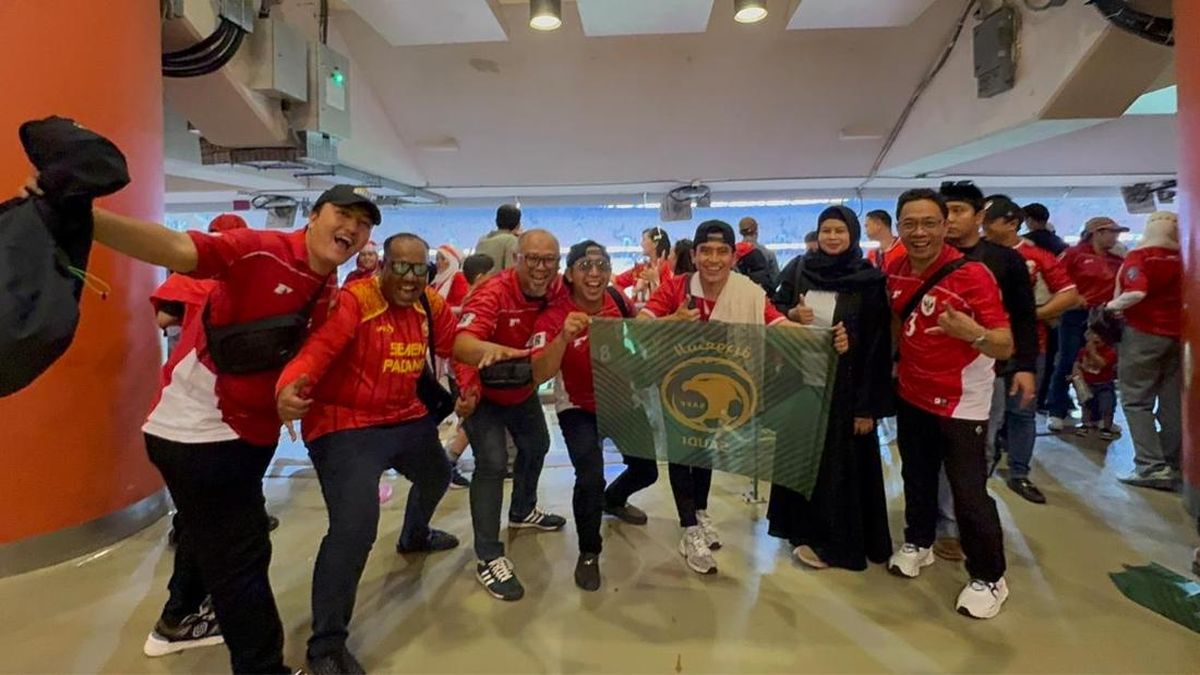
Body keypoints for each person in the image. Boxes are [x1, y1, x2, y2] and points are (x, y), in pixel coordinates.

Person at [19, 176, 378, 673]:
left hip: (236, 432)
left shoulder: (324, 282)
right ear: (314, 215)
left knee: (204, 533)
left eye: (362, 226)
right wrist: (79, 215)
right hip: (203, 435)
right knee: (243, 563)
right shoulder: (261, 250)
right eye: (344, 216)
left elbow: (309, 348)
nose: (352, 229)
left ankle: (179, 617)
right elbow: (173, 246)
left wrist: (288, 387)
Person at [275, 234, 463, 675]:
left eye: (420, 269)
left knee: (438, 474)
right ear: (382, 266)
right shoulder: (355, 302)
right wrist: (290, 387)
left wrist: (488, 367)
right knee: (355, 527)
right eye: (401, 266)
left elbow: (459, 346)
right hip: (344, 426)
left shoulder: (430, 305)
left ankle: (414, 535)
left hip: (404, 418)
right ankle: (325, 646)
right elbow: (316, 352)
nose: (410, 277)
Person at [639, 219, 848, 575]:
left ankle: (699, 513)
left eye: (722, 251)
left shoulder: (747, 292)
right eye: (706, 251)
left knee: (702, 452)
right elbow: (639, 325)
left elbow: (778, 326)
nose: (714, 259)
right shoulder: (676, 288)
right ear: (695, 254)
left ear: (734, 255)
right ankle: (689, 528)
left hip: (721, 387)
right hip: (677, 385)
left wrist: (827, 338)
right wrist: (673, 319)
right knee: (682, 452)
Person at [885, 188, 1013, 620]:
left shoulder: (973, 275)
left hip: (963, 402)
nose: (919, 232)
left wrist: (971, 333)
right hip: (912, 392)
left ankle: (990, 576)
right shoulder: (896, 267)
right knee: (915, 474)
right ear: (899, 228)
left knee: (967, 492)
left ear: (945, 226)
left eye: (928, 223)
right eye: (910, 224)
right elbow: (896, 318)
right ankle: (919, 542)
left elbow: (1004, 344)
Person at [768, 206, 893, 571]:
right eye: (826, 230)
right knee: (802, 460)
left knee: (839, 468)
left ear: (853, 235)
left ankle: (836, 544)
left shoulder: (869, 280)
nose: (832, 237)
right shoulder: (800, 269)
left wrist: (866, 407)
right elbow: (773, 308)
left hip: (846, 390)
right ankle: (800, 528)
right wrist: (791, 315)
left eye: (840, 230)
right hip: (800, 384)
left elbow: (876, 345)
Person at [529, 240, 659, 591]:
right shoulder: (554, 313)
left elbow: (640, 335)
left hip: (621, 400)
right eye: (585, 266)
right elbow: (539, 374)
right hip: (578, 407)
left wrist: (672, 324)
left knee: (647, 469)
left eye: (601, 265)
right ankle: (589, 552)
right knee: (589, 476)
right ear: (569, 274)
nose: (595, 273)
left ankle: (613, 500)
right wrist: (563, 337)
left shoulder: (618, 300)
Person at [453, 229, 568, 601]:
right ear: (516, 258)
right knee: (492, 461)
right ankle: (488, 556)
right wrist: (490, 353)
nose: (540, 267)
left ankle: (522, 509)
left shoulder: (558, 291)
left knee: (537, 444)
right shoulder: (493, 292)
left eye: (548, 259)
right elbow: (462, 345)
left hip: (520, 388)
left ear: (558, 263)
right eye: (532, 258)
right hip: (479, 387)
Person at [938, 183, 1037, 538]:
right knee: (930, 451)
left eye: (959, 210)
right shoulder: (927, 257)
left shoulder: (1004, 260)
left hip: (988, 371)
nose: (950, 219)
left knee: (976, 450)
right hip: (932, 372)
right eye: (944, 210)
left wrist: (1025, 366)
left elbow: (1024, 316)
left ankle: (953, 524)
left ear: (979, 216)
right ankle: (936, 518)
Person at [981, 196, 1080, 503]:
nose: (982, 228)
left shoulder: (1037, 256)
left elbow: (1070, 294)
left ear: (1011, 223)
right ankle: (982, 467)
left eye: (988, 222)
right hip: (983, 346)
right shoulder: (976, 254)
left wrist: (1030, 314)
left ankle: (1019, 472)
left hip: (1026, 346)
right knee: (985, 414)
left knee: (1021, 412)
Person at [1108, 211, 1183, 490]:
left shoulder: (1141, 256)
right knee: (1172, 401)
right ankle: (1173, 462)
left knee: (1136, 401)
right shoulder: (1185, 257)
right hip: (1178, 336)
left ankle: (1150, 466)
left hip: (1143, 333)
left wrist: (1110, 307)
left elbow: (1136, 291)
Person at [1046, 216, 1128, 432]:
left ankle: (1102, 415)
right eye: (1111, 232)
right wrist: (1070, 299)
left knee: (1105, 365)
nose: (1115, 237)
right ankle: (1056, 410)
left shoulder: (1116, 260)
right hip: (1076, 314)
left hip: (1104, 317)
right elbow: (1055, 279)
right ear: (1097, 233)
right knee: (1068, 361)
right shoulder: (1074, 254)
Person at [1072, 330, 1118, 440]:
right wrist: (1076, 374)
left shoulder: (1109, 352)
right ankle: (1086, 424)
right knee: (1086, 405)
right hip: (1088, 384)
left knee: (1107, 406)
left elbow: (1102, 364)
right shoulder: (1083, 352)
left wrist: (1093, 353)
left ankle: (1106, 427)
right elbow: (1078, 363)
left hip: (1104, 384)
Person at [614, 226, 673, 302]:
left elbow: (669, 299)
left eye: (644, 240)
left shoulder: (669, 268)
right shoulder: (641, 268)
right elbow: (617, 281)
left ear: (655, 244)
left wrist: (655, 281)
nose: (641, 244)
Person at [474, 203, 522, 271]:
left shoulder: (482, 240)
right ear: (518, 225)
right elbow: (511, 272)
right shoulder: (511, 241)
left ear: (496, 221)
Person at [739, 216, 780, 289]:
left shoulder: (733, 252)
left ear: (740, 233)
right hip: (762, 295)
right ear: (756, 231)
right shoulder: (769, 254)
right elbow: (776, 279)